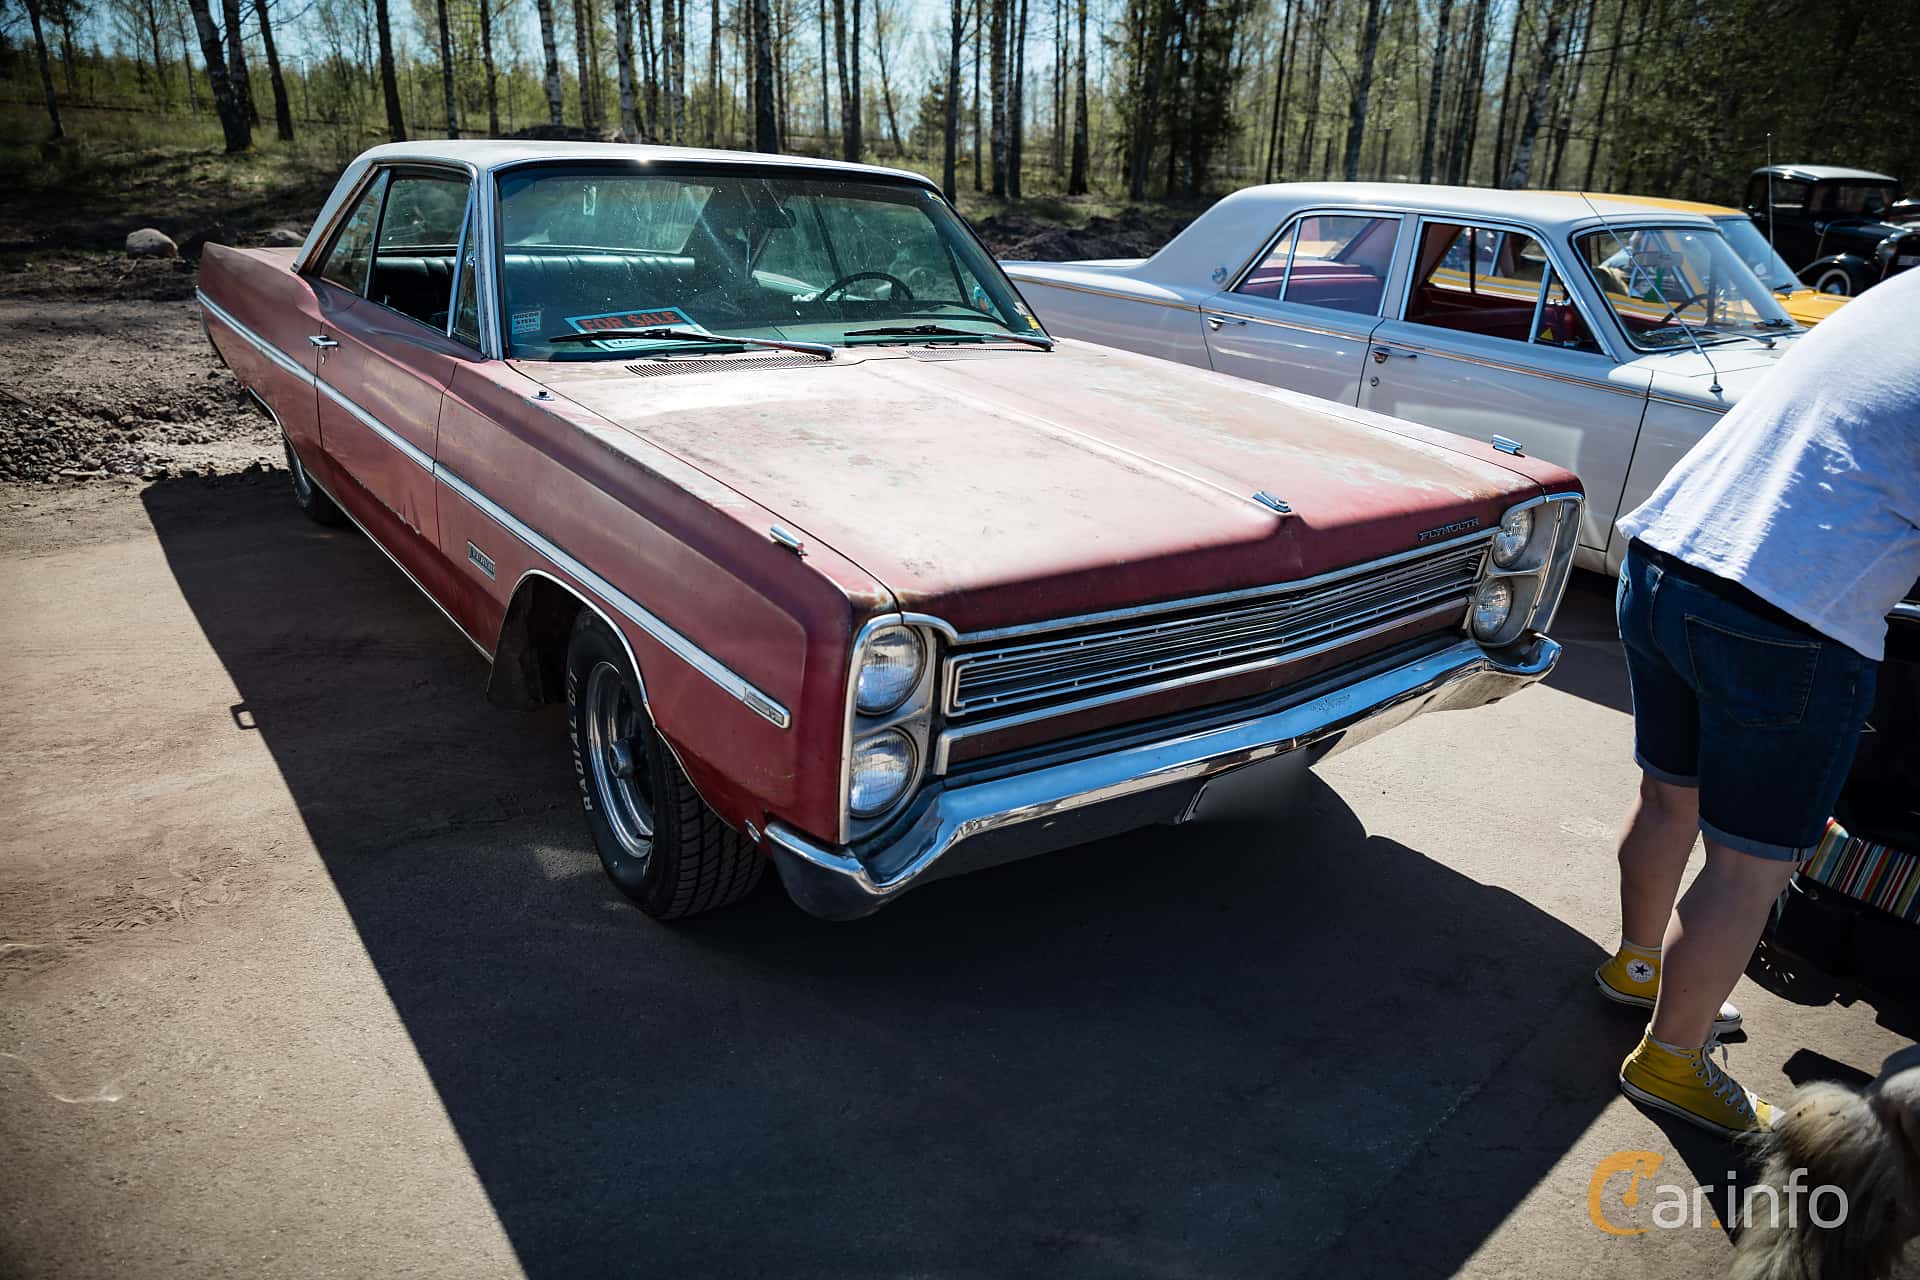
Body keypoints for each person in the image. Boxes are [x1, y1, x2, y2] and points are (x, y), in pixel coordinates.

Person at [1593, 265, 1920, 1137]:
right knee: (1751, 867)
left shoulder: (1902, 292)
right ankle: (1672, 1059)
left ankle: (1639, 969)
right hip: (1787, 615)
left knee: (1668, 798)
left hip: (1666, 559)